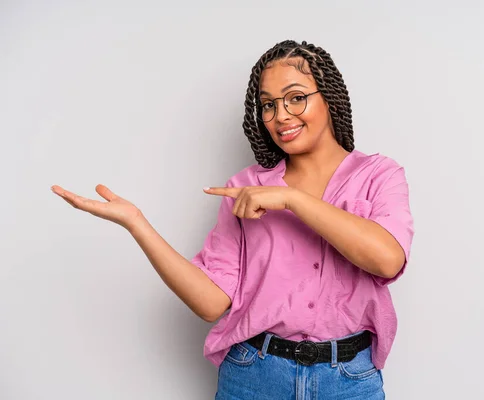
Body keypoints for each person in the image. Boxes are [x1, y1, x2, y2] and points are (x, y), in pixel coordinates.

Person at [51, 39, 414, 399]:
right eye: (268, 105)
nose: (281, 115)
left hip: (349, 381)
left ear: (329, 98)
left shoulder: (379, 175)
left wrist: (292, 199)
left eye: (296, 97)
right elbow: (211, 303)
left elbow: (387, 259)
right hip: (254, 376)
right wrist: (137, 223)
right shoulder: (244, 188)